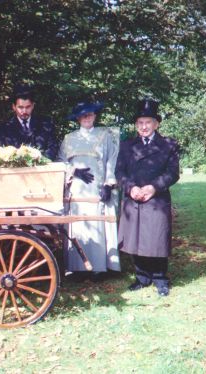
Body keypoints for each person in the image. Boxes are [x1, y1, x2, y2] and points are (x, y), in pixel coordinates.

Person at [115, 99, 180, 296]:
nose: (144, 127)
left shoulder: (169, 145)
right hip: (133, 199)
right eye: (140, 123)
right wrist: (130, 188)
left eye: (148, 122)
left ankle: (160, 279)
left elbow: (173, 173)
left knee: (157, 239)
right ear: (136, 125)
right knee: (135, 239)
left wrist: (154, 187)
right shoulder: (127, 146)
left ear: (156, 124)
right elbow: (119, 172)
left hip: (156, 200)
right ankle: (142, 277)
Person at [57, 101, 121, 280]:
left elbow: (111, 160)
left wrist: (109, 183)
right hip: (76, 188)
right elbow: (60, 161)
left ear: (95, 116)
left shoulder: (105, 135)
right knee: (78, 225)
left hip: (97, 187)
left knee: (96, 224)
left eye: (90, 114)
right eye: (83, 115)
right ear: (78, 118)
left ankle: (98, 267)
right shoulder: (69, 138)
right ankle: (77, 268)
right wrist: (73, 170)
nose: (87, 118)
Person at [0, 85, 58, 160]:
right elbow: (2, 153)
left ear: (33, 106)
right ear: (14, 107)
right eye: (20, 107)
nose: (24, 111)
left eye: (28, 107)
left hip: (42, 168)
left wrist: (39, 161)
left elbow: (53, 149)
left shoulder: (46, 124)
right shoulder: (4, 128)